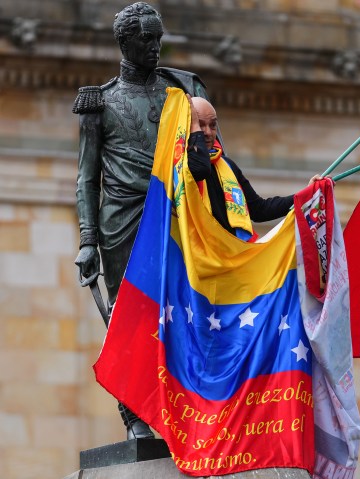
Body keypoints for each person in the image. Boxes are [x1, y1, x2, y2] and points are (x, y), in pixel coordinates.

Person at [72, 2, 209, 440]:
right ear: (124, 42)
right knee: (130, 319)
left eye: (158, 37)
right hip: (122, 224)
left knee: (184, 313)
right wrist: (87, 240)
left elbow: (213, 160)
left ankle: (183, 407)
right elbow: (87, 177)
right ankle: (135, 417)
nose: (155, 46)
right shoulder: (101, 102)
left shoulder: (182, 90)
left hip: (175, 216)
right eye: (146, 39)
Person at [186, 95, 322, 239]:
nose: (207, 132)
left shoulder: (227, 165)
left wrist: (306, 195)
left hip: (233, 255)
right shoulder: (177, 165)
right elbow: (200, 169)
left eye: (212, 125)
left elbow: (259, 209)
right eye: (200, 125)